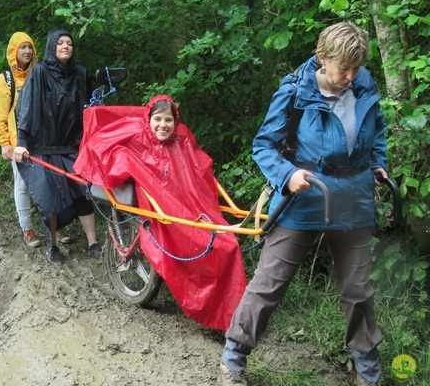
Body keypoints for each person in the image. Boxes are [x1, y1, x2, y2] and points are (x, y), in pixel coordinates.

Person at [220, 22, 388, 386]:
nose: (350, 76)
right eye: (343, 67)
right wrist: (287, 175)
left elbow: (378, 132)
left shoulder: (363, 83)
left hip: (354, 199)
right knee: (270, 281)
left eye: (356, 67)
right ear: (322, 58)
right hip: (304, 196)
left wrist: (379, 165)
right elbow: (263, 146)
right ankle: (232, 361)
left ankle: (369, 375)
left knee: (358, 289)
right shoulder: (295, 91)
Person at [74, 95, 248, 331]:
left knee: (226, 243)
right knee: (216, 244)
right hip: (160, 209)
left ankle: (232, 313)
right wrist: (123, 162)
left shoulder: (182, 140)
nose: (162, 125)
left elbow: (199, 172)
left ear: (175, 123)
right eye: (158, 119)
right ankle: (224, 314)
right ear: (149, 119)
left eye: (168, 120)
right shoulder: (136, 136)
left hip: (188, 208)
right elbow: (104, 147)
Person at [13, 28, 101, 264]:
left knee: (82, 194)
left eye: (69, 43)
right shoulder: (39, 72)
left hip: (73, 146)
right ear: (52, 46)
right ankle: (52, 246)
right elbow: (27, 106)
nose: (65, 46)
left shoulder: (81, 73)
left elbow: (93, 108)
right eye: (60, 43)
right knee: (49, 199)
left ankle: (93, 243)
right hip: (43, 146)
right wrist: (22, 141)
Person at [0, 32, 42, 248]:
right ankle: (28, 229)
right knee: (22, 186)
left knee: (46, 184)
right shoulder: (5, 80)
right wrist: (4, 142)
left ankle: (54, 226)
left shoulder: (39, 74)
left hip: (42, 140)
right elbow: (0, 113)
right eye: (23, 48)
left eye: (29, 47)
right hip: (17, 141)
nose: (27, 52)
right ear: (14, 51)